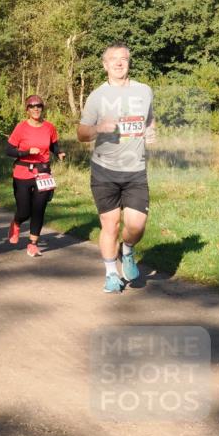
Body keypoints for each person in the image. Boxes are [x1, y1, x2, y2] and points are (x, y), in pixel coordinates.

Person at [77, 43, 156, 292]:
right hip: (104, 170)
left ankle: (128, 250)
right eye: (114, 59)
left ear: (129, 62)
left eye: (124, 59)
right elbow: (81, 133)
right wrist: (98, 129)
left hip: (135, 170)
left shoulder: (144, 91)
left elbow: (150, 119)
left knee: (136, 225)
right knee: (110, 224)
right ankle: (111, 274)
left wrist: (152, 131)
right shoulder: (97, 96)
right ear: (105, 65)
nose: (120, 63)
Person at [5, 95, 65, 257]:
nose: (36, 109)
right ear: (27, 110)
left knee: (39, 209)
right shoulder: (21, 127)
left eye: (39, 106)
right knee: (24, 211)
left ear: (42, 108)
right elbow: (9, 150)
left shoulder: (49, 127)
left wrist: (58, 152)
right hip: (22, 172)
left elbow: (53, 144)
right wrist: (25, 152)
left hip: (43, 172)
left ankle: (33, 244)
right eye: (32, 106)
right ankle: (16, 223)